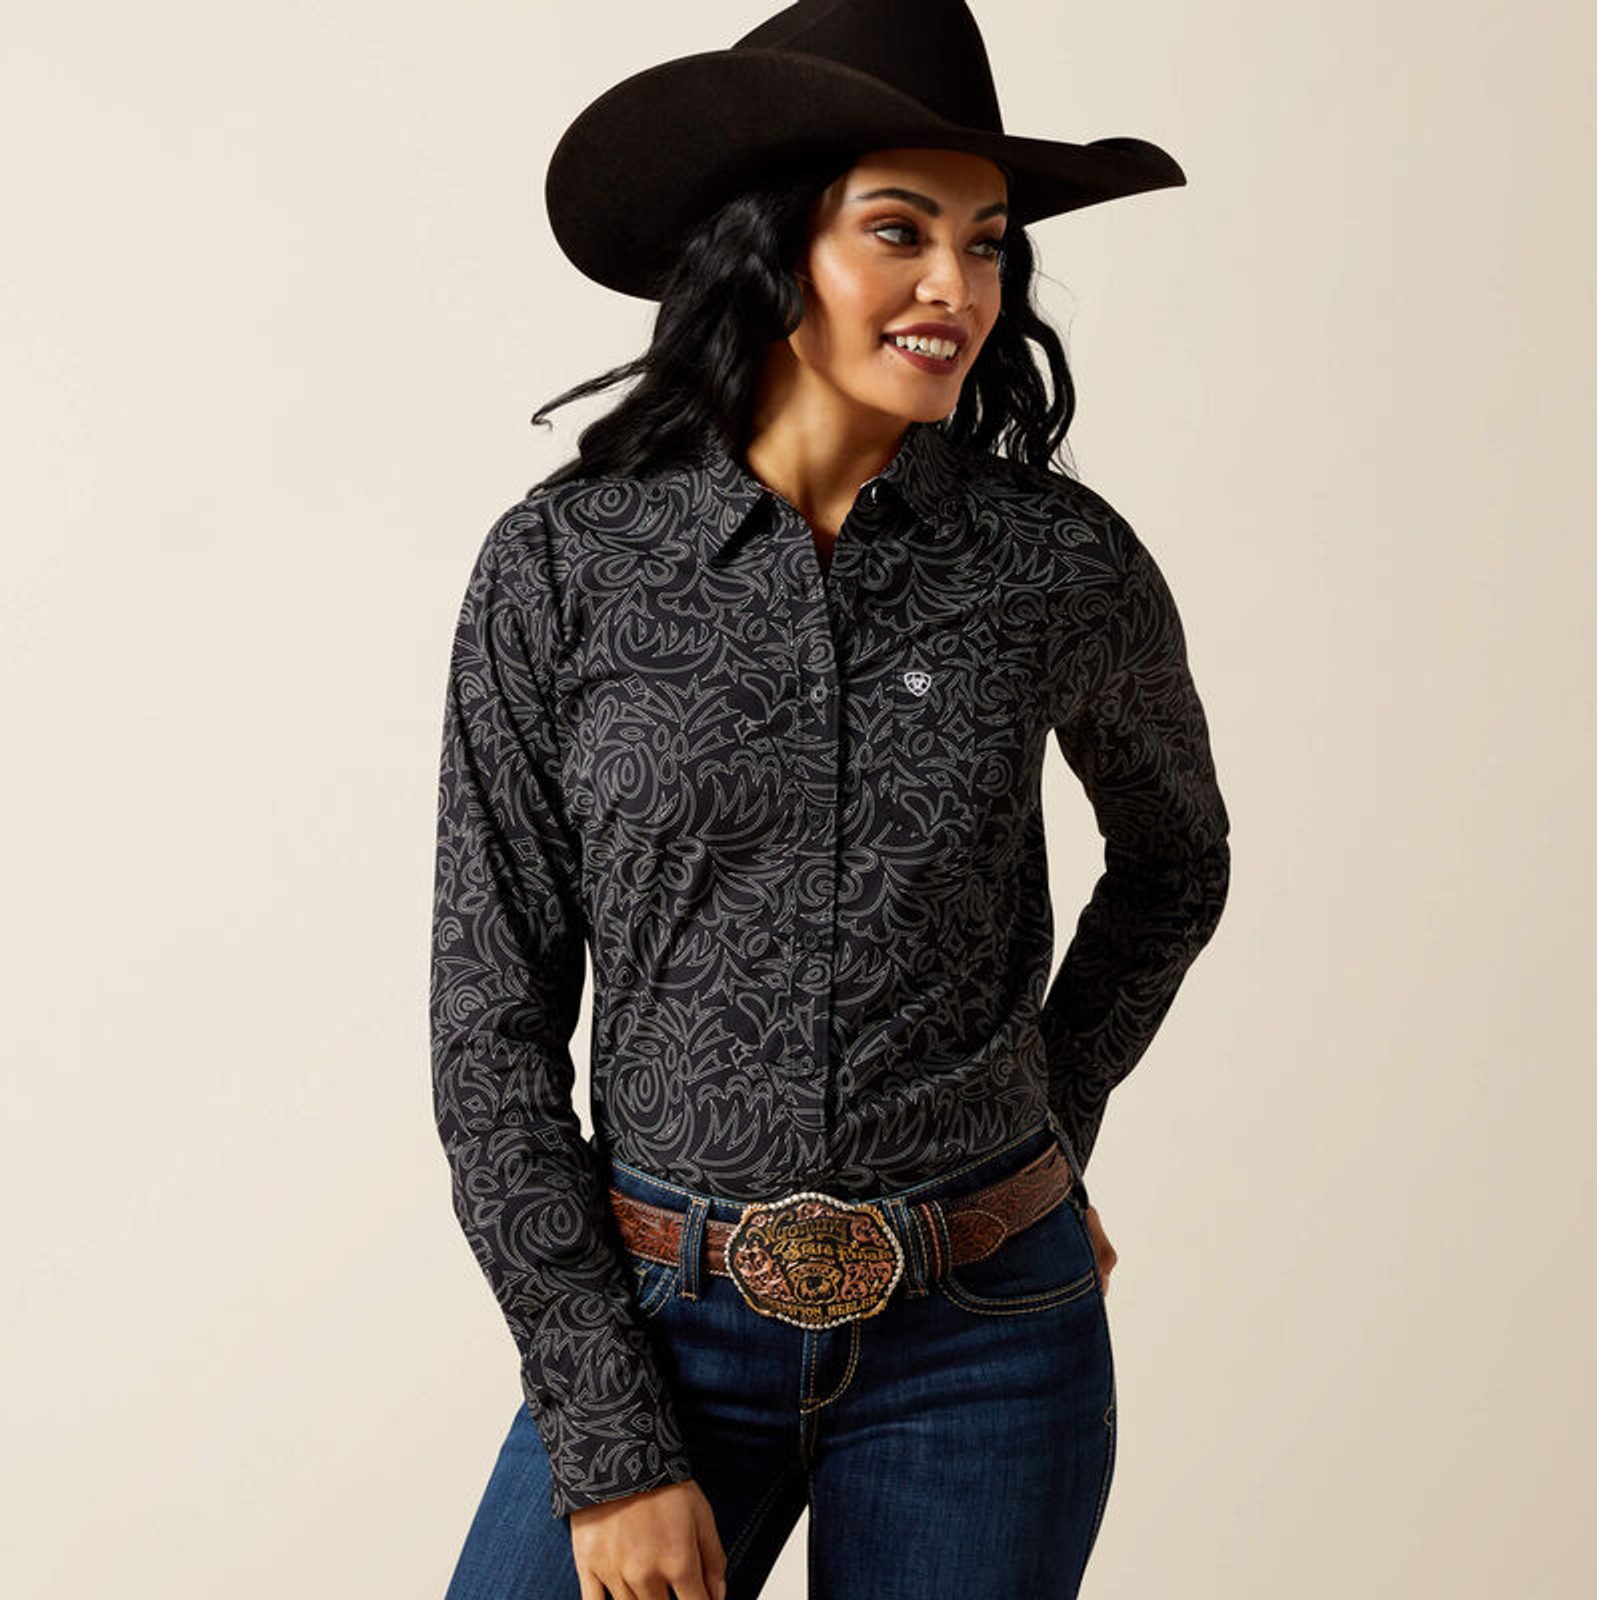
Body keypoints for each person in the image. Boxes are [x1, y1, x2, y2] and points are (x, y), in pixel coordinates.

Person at [430, 3, 1231, 1597]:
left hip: (987, 1341)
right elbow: (488, 1026)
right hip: (661, 1328)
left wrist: (1049, 1129)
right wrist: (613, 1442)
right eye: (899, 231)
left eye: (987, 244)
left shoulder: (1054, 566)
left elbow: (1175, 865)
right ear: (770, 249)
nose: (960, 289)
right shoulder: (563, 569)